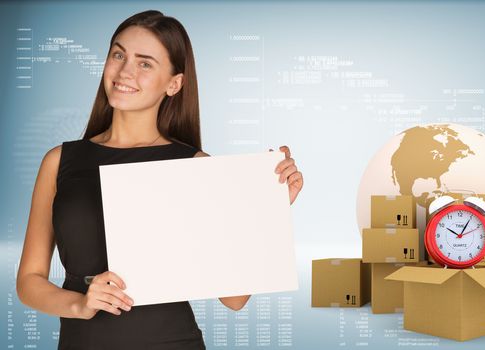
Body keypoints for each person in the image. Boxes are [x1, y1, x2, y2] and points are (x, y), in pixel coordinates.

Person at [15, 10, 304, 349]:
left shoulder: (195, 167)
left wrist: (268, 209)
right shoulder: (60, 161)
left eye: (145, 63)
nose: (125, 71)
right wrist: (80, 304)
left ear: (174, 83)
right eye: (118, 54)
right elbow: (28, 281)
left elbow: (234, 298)